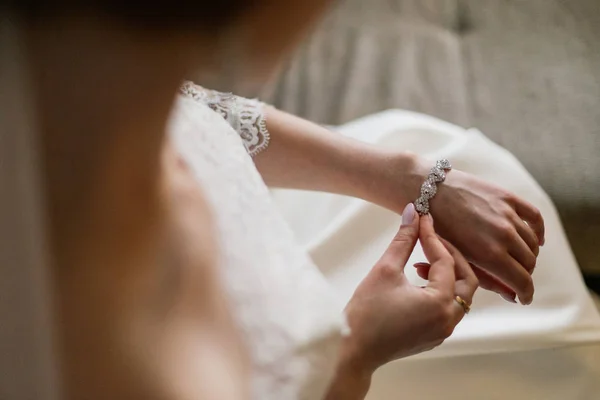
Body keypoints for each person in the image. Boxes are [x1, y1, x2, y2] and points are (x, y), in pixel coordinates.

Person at [3, 1, 553, 400]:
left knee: (476, 166)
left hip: (269, 231)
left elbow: (194, 109)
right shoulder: (83, 345)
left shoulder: (66, 65)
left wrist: (405, 175)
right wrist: (356, 353)